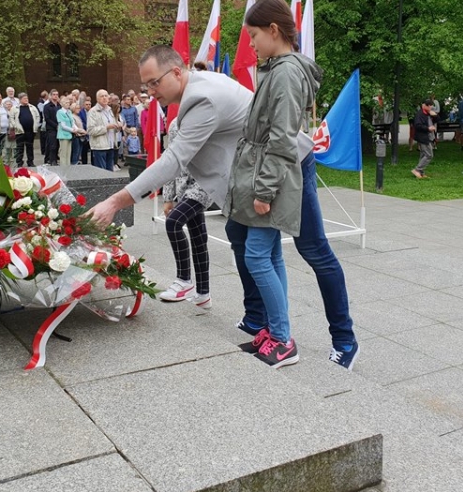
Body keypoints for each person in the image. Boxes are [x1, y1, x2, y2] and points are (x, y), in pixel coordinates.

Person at [90, 43, 359, 370]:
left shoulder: (204, 97)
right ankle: (265, 325)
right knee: (247, 241)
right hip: (254, 179)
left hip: (283, 170)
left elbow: (175, 160)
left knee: (309, 251)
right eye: (146, 85)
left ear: (176, 72)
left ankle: (340, 340)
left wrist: (115, 201)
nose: (150, 91)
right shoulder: (197, 89)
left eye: (154, 82)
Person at [223, 0, 326, 368]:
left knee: (256, 256)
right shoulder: (279, 69)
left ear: (273, 30)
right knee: (268, 254)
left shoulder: (284, 73)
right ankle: (274, 331)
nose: (250, 44)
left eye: (253, 36)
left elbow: (282, 139)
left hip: (269, 178)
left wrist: (264, 190)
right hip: (263, 173)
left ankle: (283, 340)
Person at [158, 119, 213, 309]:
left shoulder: (208, 117)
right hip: (184, 188)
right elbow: (171, 159)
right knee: (199, 238)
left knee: (173, 223)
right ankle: (203, 294)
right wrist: (168, 197)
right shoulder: (175, 124)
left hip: (204, 185)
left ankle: (184, 279)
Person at [87, 89, 118, 170]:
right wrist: (106, 127)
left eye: (106, 96)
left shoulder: (110, 110)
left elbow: (113, 125)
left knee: (110, 172)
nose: (104, 98)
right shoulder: (93, 111)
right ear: (97, 99)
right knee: (101, 173)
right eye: (102, 96)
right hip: (99, 147)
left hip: (110, 146)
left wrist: (117, 127)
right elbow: (90, 130)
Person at [14, 92, 41, 168]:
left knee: (30, 147)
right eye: (24, 98)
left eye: (27, 98)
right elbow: (12, 118)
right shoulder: (15, 108)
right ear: (20, 100)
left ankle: (30, 162)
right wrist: (15, 126)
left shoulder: (32, 107)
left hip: (30, 131)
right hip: (20, 131)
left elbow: (37, 116)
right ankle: (19, 162)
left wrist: (36, 125)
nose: (26, 100)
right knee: (20, 147)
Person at [411, 98, 436, 178]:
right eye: (429, 106)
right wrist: (428, 128)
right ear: (425, 106)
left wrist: (435, 115)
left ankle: (421, 172)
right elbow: (417, 126)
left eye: (431, 107)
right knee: (429, 155)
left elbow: (438, 120)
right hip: (423, 137)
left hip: (428, 136)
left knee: (423, 155)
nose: (430, 108)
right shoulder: (420, 114)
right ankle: (417, 170)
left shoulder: (428, 113)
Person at [56, 96, 84, 165]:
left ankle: (68, 167)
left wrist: (78, 130)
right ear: (62, 104)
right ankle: (63, 167)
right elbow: (63, 126)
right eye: (66, 103)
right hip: (63, 135)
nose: (68, 104)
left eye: (68, 103)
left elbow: (72, 123)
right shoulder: (60, 112)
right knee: (63, 153)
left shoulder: (69, 112)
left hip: (69, 135)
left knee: (68, 153)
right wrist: (72, 130)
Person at [43, 90, 61, 165]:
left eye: (57, 94)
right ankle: (51, 160)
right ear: (50, 96)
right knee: (52, 145)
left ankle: (55, 159)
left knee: (58, 145)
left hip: (60, 128)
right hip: (51, 128)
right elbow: (47, 118)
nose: (55, 96)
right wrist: (55, 125)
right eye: (54, 94)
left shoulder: (59, 106)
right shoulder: (47, 106)